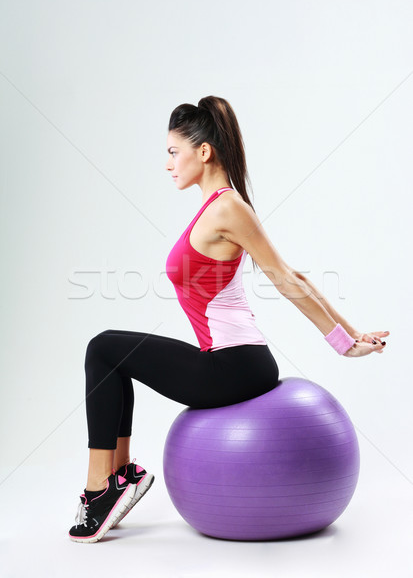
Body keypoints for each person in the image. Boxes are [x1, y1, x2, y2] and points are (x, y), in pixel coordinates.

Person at [68, 95, 389, 543]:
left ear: (204, 152)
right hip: (224, 360)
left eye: (173, 152)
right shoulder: (211, 208)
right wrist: (350, 333)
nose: (168, 164)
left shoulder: (227, 208)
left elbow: (287, 277)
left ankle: (96, 491)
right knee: (111, 353)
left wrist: (345, 340)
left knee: (103, 347)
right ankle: (116, 480)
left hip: (235, 365)